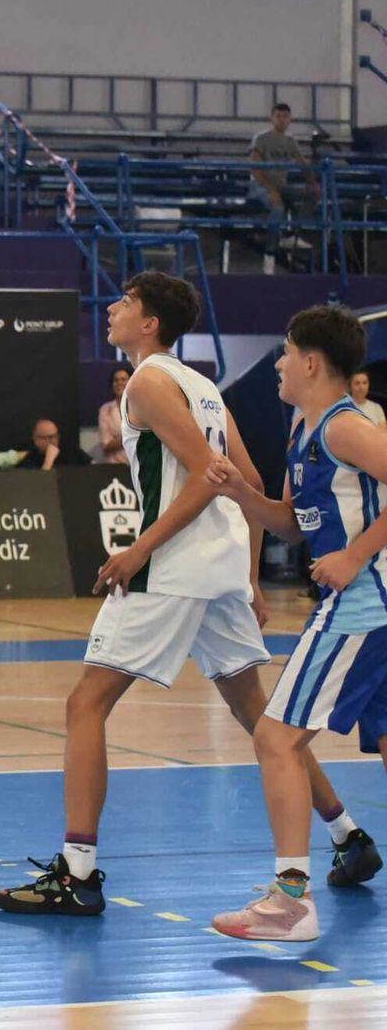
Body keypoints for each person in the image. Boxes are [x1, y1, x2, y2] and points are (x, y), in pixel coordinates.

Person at [0, 274, 373, 918]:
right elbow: (248, 487)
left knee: (86, 704)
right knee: (262, 718)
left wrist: (140, 549)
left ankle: (77, 873)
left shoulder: (145, 382)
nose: (111, 308)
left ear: (149, 324)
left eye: (125, 303)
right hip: (218, 568)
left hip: (171, 567)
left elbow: (210, 476)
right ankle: (347, 835)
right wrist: (247, 576)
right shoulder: (204, 388)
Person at [204, 305, 386, 941]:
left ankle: (291, 901)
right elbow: (290, 522)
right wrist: (237, 492)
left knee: (276, 738)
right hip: (374, 608)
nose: (277, 363)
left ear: (311, 361)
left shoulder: (346, 429)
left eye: (283, 352)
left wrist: (355, 555)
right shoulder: (302, 432)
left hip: (363, 608)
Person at [250, 103, 317, 275]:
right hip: (260, 186)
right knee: (278, 207)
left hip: (282, 186)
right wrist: (270, 190)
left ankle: (293, 234)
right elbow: (255, 169)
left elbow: (303, 163)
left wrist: (312, 183)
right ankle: (270, 254)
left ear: (289, 119)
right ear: (272, 118)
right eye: (278, 116)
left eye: (285, 116)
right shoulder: (261, 138)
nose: (281, 119)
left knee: (310, 194)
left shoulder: (290, 141)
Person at [19, 418, 92, 470]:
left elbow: (94, 466)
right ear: (36, 440)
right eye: (48, 437)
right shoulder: (30, 460)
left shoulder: (71, 450)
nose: (53, 441)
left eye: (55, 436)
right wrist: (48, 461)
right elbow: (37, 486)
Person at [97, 365, 131, 463]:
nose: (119, 383)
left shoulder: (141, 407)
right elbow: (106, 446)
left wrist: (117, 439)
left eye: (123, 379)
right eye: (116, 380)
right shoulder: (105, 410)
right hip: (116, 466)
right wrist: (131, 434)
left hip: (141, 465)